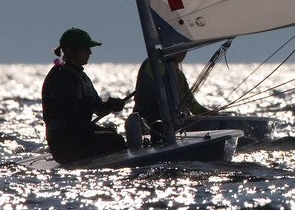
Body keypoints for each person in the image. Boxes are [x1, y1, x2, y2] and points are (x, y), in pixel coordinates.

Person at [41, 28, 128, 164]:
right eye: (85, 48)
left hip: (79, 137)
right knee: (115, 141)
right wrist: (99, 131)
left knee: (112, 135)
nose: (90, 52)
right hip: (65, 144)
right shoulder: (61, 79)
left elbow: (98, 108)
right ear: (70, 51)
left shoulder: (81, 76)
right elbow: (72, 119)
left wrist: (111, 105)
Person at [134, 53, 210, 132]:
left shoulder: (179, 75)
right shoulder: (153, 65)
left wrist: (213, 114)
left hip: (175, 127)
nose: (183, 54)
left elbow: (192, 105)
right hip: (151, 127)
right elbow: (144, 102)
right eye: (182, 49)